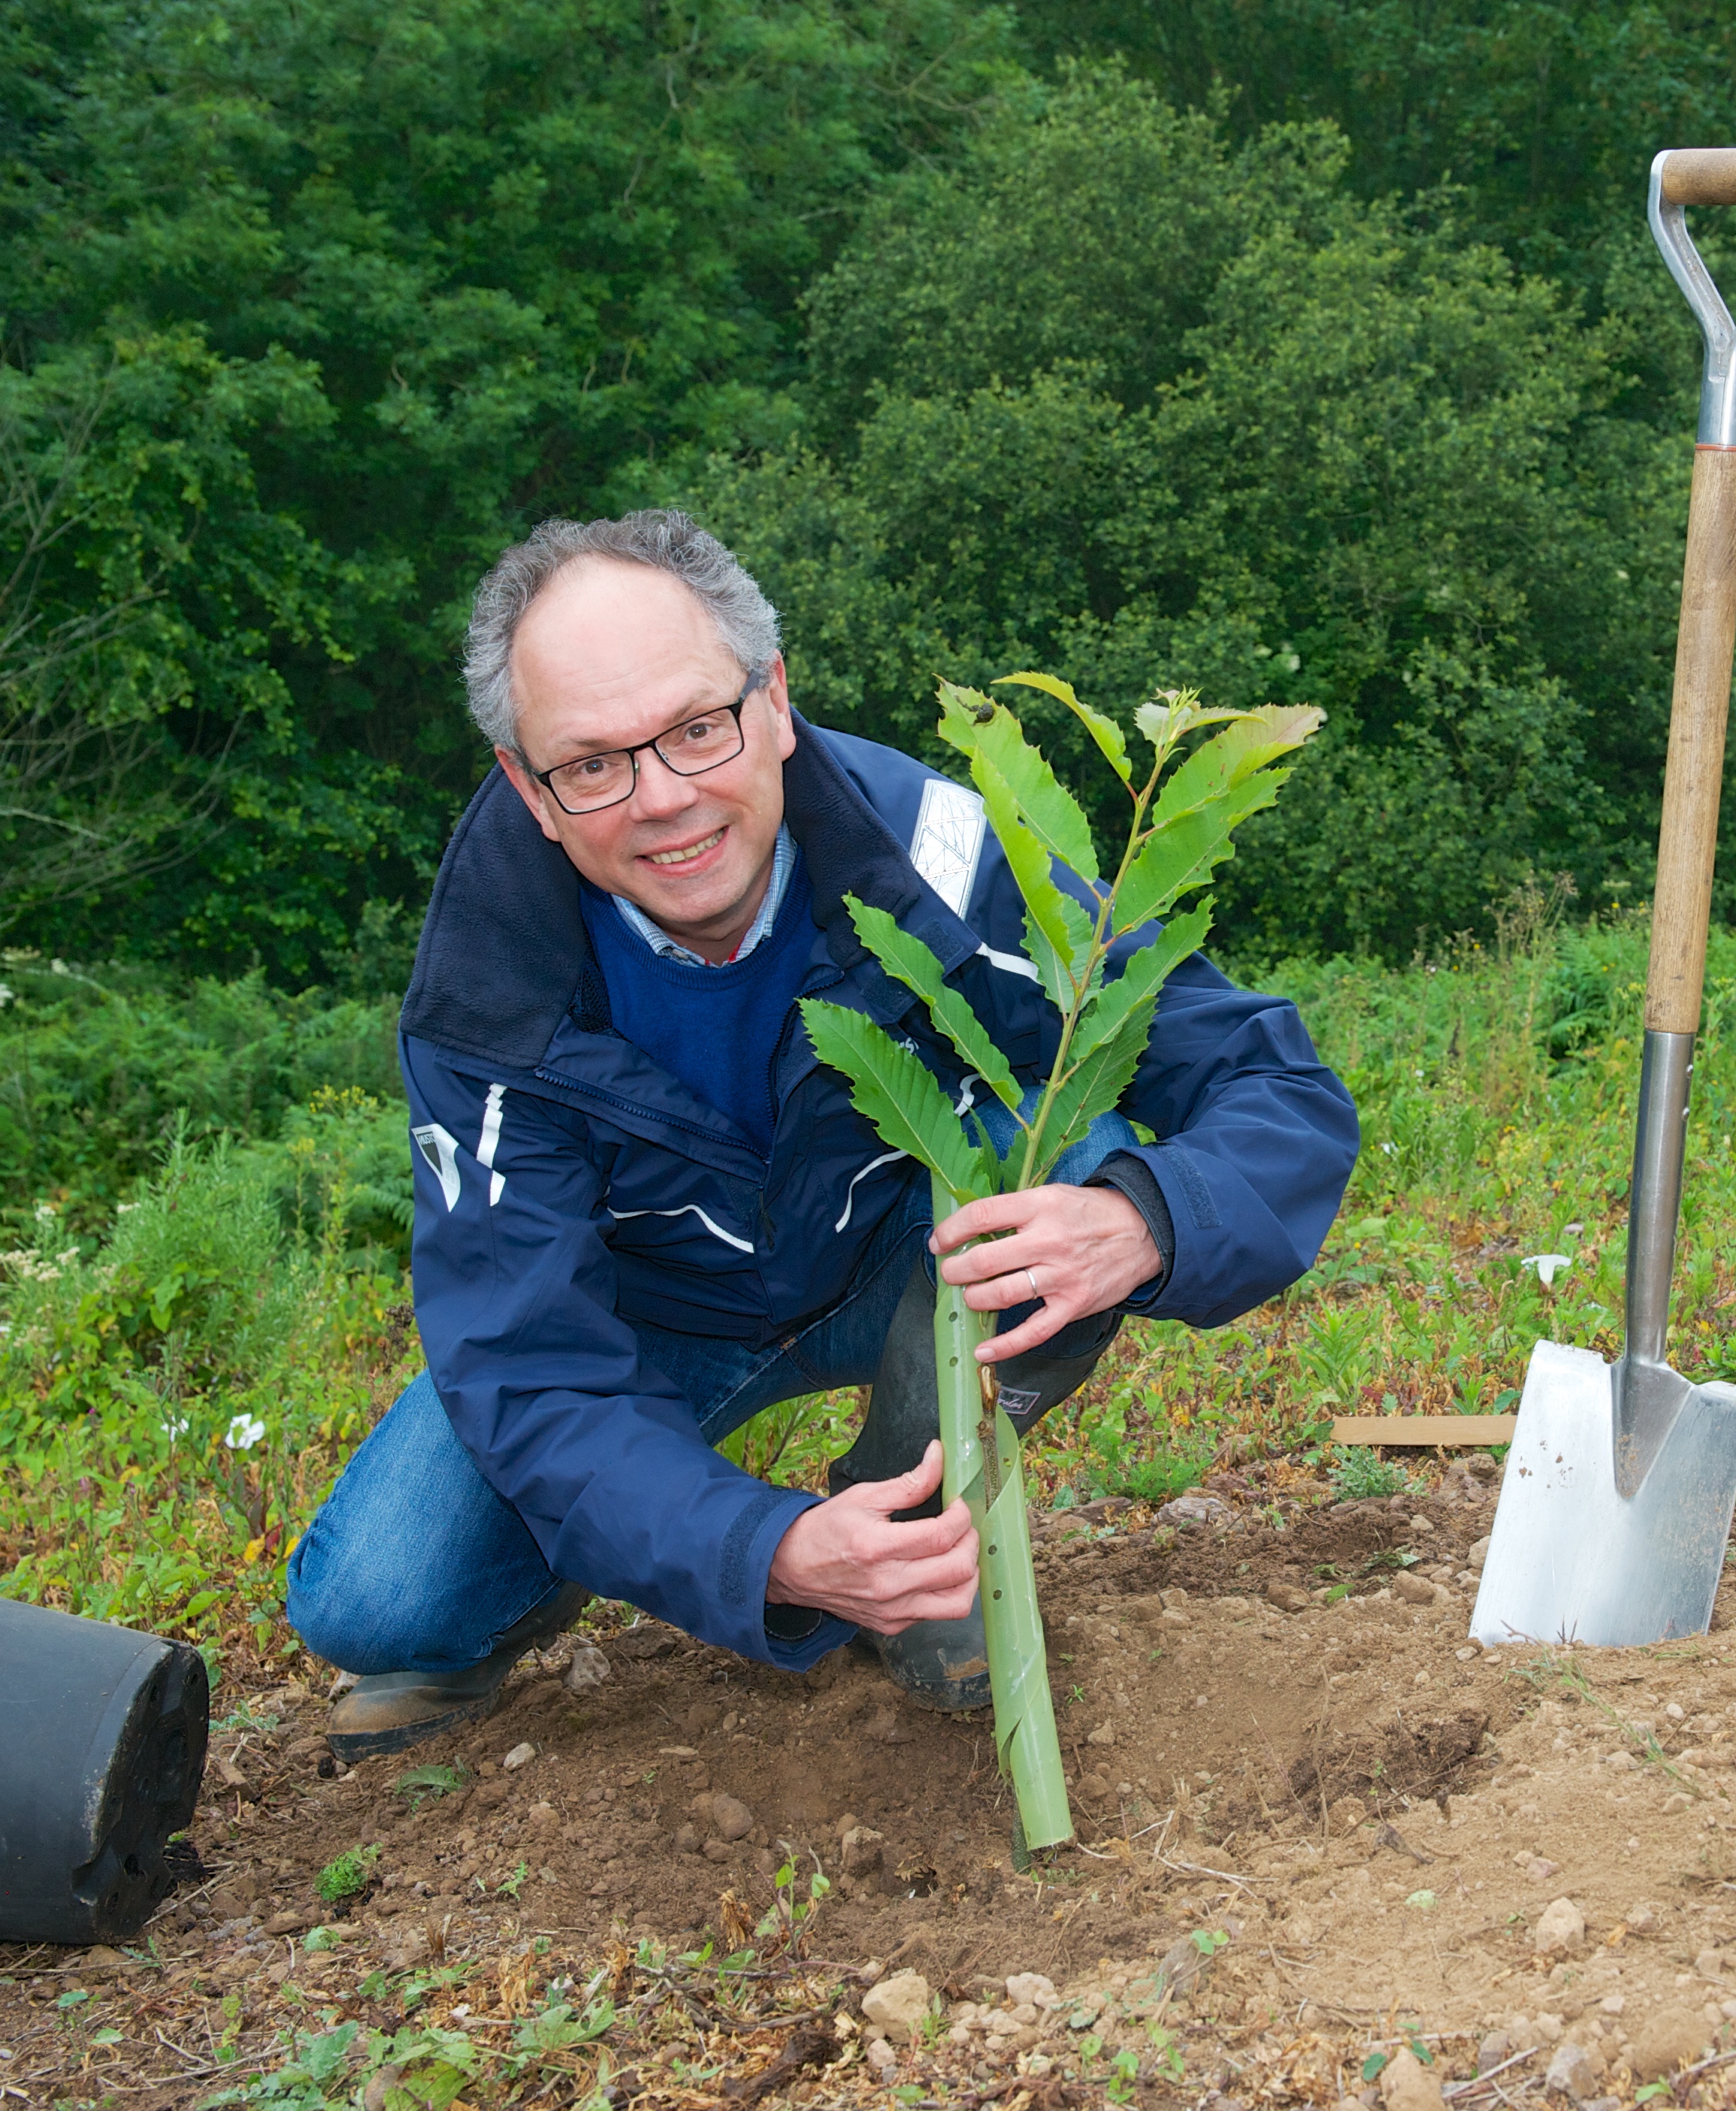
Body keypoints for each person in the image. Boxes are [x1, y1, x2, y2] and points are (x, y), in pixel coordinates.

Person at [285, 510, 1357, 1760]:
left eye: (697, 728)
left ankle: (912, 1524)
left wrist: (1142, 1219)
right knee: (376, 1602)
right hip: (652, 1326)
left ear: (776, 700)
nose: (664, 800)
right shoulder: (490, 992)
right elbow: (531, 1365)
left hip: (897, 1261)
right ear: (530, 789)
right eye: (592, 764)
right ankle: (644, 1539)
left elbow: (1271, 1085)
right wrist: (767, 1553)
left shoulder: (949, 860)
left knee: (1070, 1150)